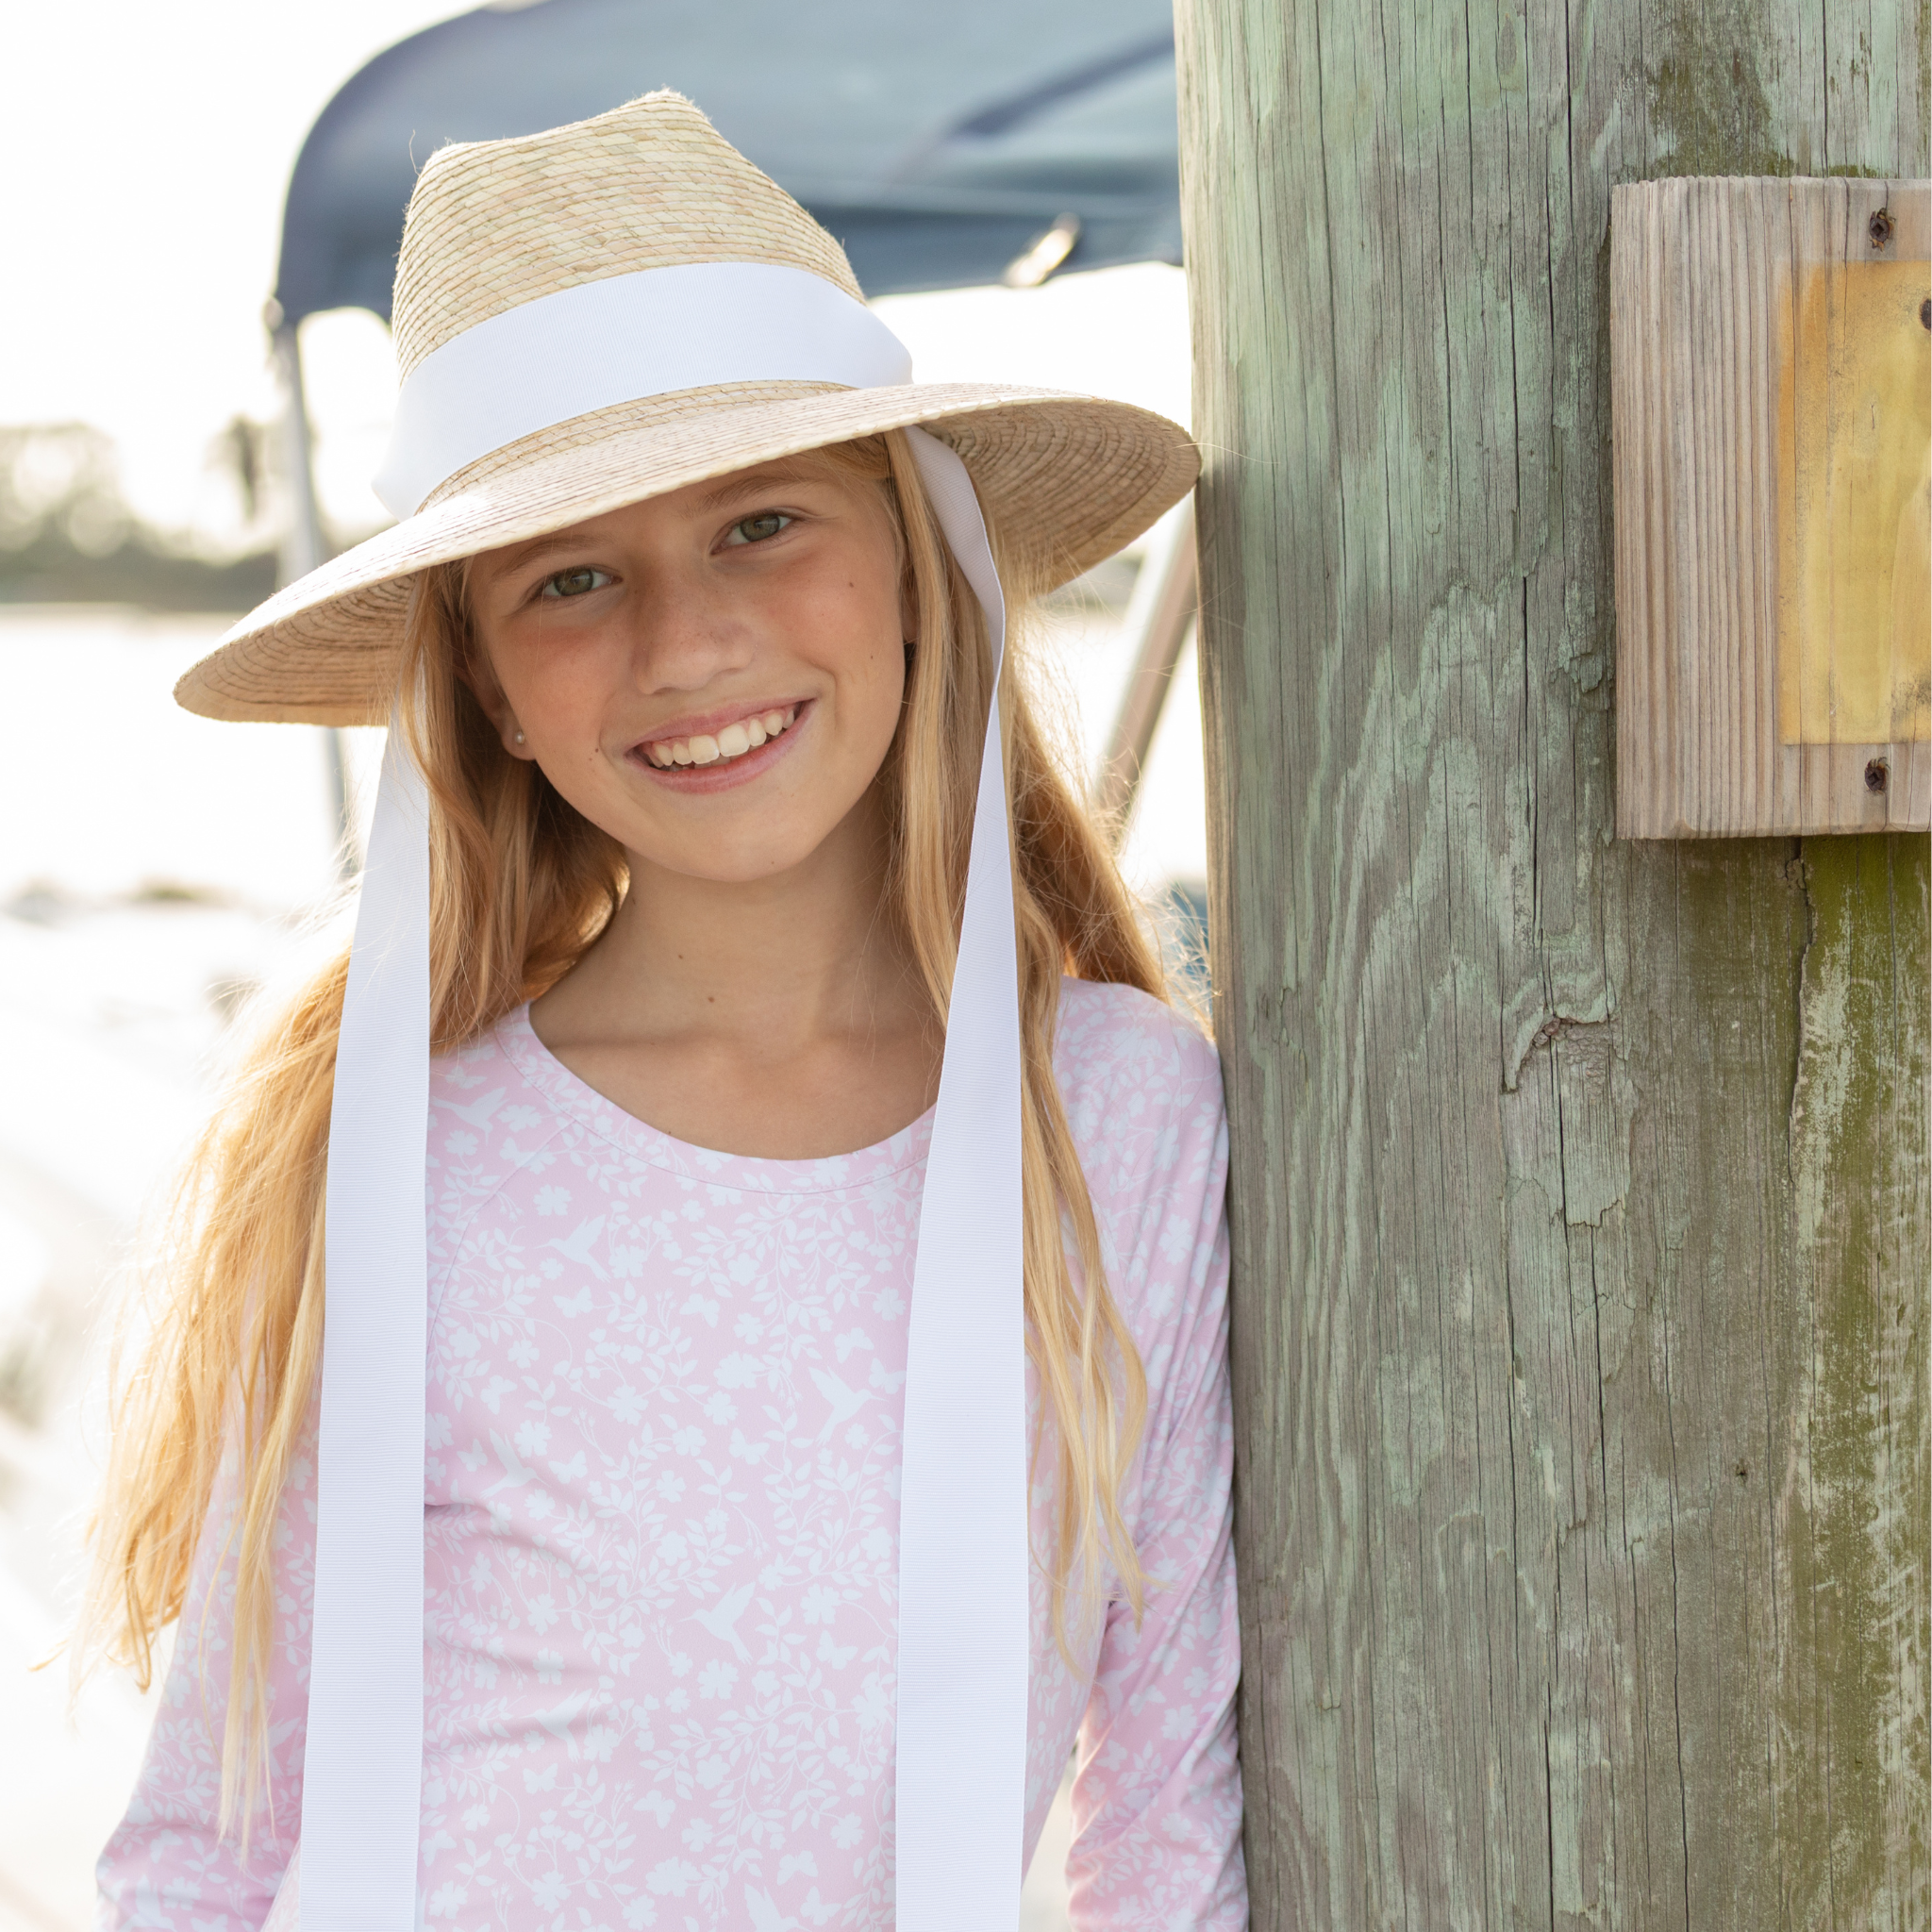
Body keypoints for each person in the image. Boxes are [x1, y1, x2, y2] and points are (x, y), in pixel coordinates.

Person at [83, 92, 1243, 1931]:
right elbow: (209, 1844)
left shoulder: (1117, 1122)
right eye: (572, 575)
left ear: (918, 563)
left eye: (762, 521)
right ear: (484, 676)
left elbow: (1165, 1822)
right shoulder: (393, 1153)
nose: (686, 641)